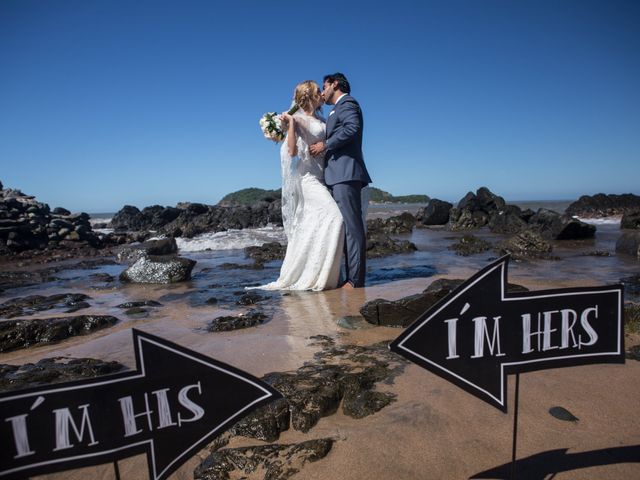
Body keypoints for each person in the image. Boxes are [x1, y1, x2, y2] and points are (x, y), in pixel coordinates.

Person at [249, 80, 344, 291]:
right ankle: (319, 275)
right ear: (309, 96)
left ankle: (320, 272)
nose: (322, 93)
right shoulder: (298, 119)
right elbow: (292, 152)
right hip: (308, 179)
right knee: (336, 218)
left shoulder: (321, 118)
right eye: (318, 91)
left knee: (312, 225)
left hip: (323, 177)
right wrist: (291, 124)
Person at [310, 73, 372, 289]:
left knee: (352, 229)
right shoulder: (336, 108)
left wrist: (325, 145)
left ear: (334, 84)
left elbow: (352, 128)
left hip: (346, 174)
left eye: (324, 86)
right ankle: (347, 276)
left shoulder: (347, 103)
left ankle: (355, 281)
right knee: (343, 227)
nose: (322, 92)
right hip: (337, 175)